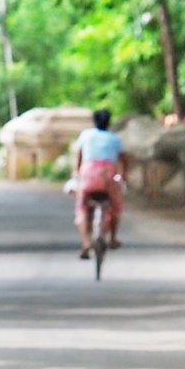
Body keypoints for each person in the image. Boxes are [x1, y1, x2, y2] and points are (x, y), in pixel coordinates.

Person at [72, 108, 125, 258]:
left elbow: (79, 157)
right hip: (108, 178)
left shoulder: (86, 135)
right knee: (115, 207)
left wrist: (76, 172)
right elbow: (123, 160)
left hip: (88, 177)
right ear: (109, 122)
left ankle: (86, 243)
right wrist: (123, 175)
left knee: (82, 208)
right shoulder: (115, 139)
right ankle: (113, 238)